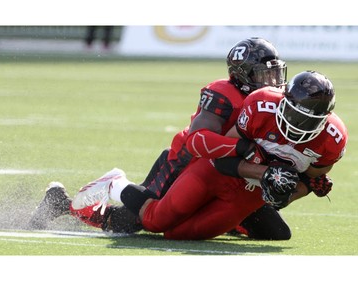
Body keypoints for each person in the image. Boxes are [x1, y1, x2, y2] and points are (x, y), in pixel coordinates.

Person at [28, 37, 290, 238]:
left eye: (275, 73)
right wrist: (241, 147)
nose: (273, 82)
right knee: (128, 224)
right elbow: (196, 140)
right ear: (242, 74)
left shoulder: (274, 101)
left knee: (275, 233)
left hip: (230, 175)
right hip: (185, 163)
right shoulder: (223, 93)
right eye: (265, 75)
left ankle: (217, 218)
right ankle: (82, 195)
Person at [57, 70, 347, 240]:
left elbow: (307, 183)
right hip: (215, 170)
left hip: (248, 195)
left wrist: (289, 192)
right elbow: (220, 155)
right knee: (155, 221)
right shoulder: (259, 106)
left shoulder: (332, 139)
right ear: (283, 102)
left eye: (307, 121)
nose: (297, 126)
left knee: (176, 235)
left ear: (325, 119)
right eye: (294, 115)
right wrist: (264, 171)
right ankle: (116, 185)